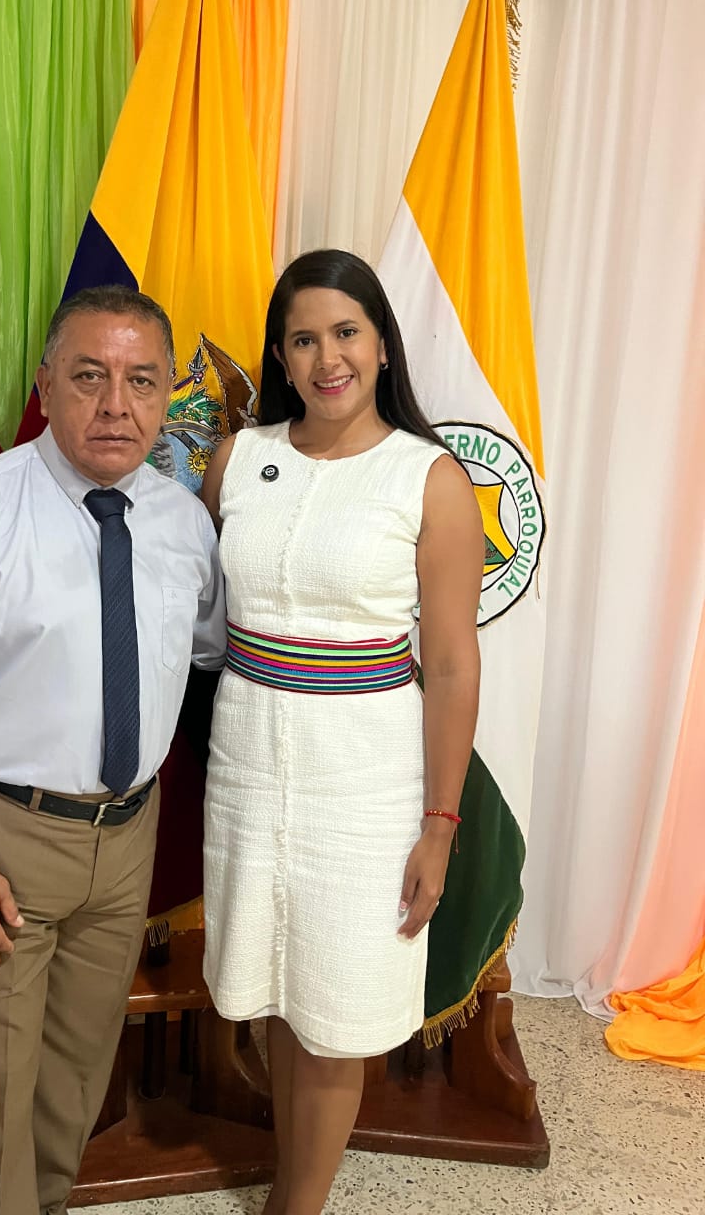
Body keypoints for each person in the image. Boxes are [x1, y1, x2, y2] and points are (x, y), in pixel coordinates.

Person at [0, 285, 226, 1215]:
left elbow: (204, 651)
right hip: (0, 838)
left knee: (72, 1083)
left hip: (126, 839)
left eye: (142, 381)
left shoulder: (183, 523)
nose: (116, 405)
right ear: (46, 384)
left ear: (167, 396)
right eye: (89, 376)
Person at [200, 250, 483, 1215]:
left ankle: (298, 1208)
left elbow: (452, 666)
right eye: (304, 339)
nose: (328, 358)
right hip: (248, 765)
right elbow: (199, 608)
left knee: (335, 1014)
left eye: (347, 332)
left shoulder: (428, 478)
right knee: (281, 993)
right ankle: (293, 1181)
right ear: (280, 356)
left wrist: (439, 824)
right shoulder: (240, 458)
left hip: (364, 785)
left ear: (383, 343)